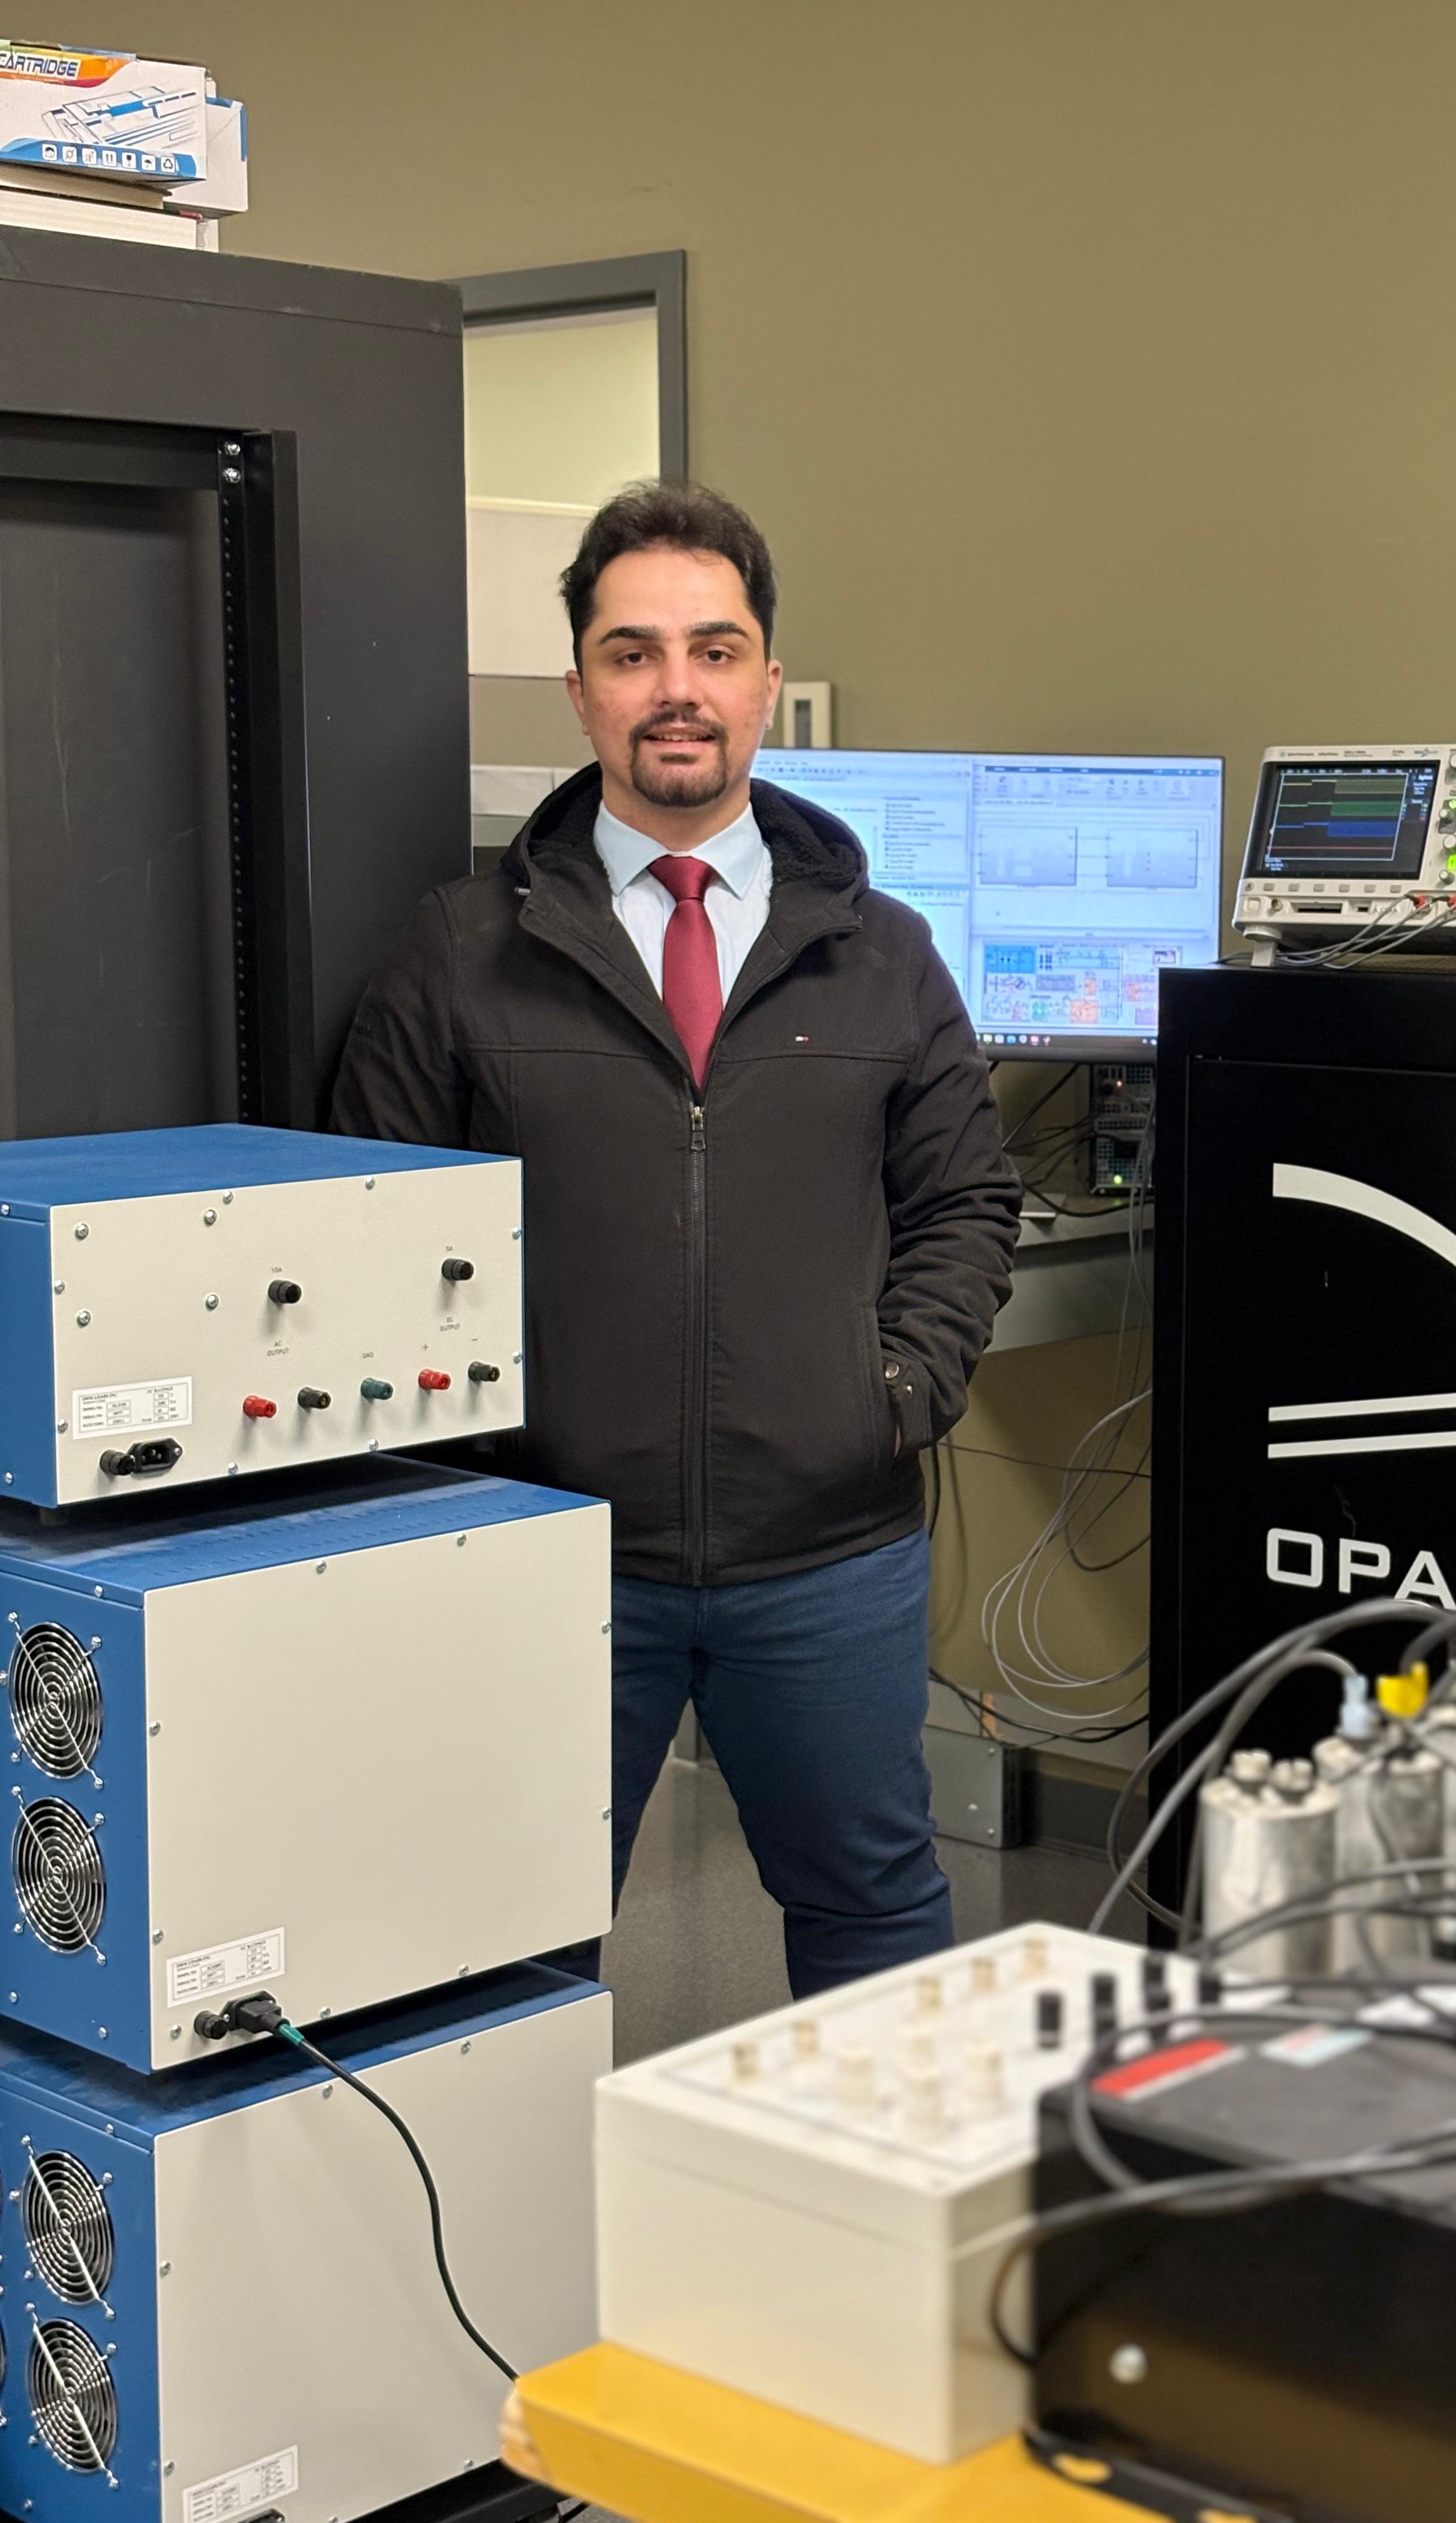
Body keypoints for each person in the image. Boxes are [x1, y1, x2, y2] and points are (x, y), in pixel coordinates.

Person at [330, 481, 1021, 1995]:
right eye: (634, 654)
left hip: (829, 1551)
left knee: (874, 1917)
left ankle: (878, 2233)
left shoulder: (883, 953)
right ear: (580, 689)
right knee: (501, 1944)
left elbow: (967, 1200)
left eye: (715, 650)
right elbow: (370, 1235)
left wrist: (892, 1391)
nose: (678, 691)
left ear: (769, 679)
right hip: (551, 1548)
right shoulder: (463, 953)